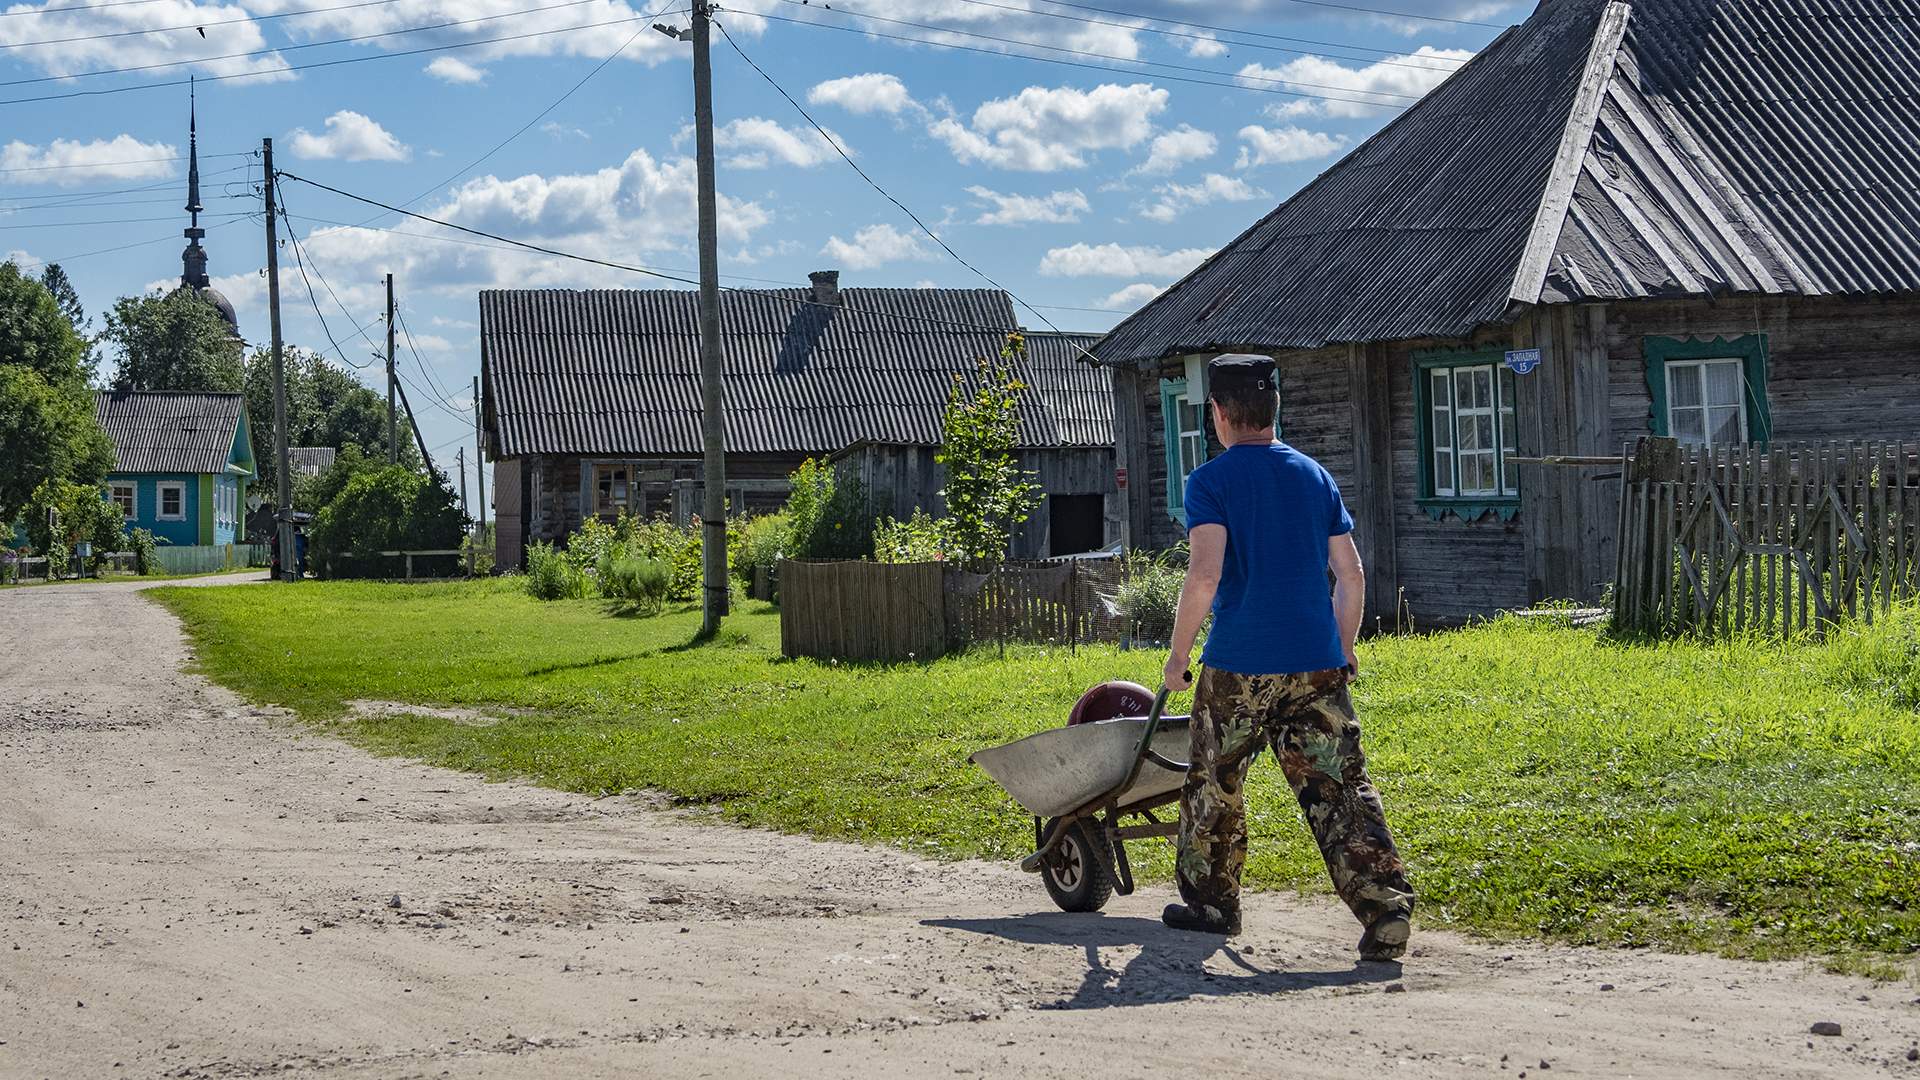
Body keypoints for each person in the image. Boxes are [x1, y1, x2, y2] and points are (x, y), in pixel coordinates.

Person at [1159, 353, 1416, 962]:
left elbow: (1204, 574)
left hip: (1238, 666)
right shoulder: (1313, 477)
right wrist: (1344, 648)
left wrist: (1177, 658)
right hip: (1315, 663)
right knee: (1341, 788)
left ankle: (1213, 904)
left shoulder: (1211, 482)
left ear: (1218, 414)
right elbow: (1350, 574)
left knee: (1215, 785)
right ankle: (1384, 909)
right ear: (1275, 408)